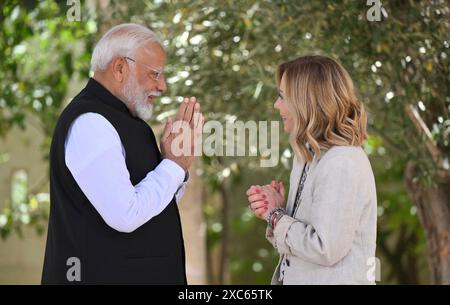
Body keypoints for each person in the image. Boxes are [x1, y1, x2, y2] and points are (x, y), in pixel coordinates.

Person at [42, 23, 203, 284]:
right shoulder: (90, 123)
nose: (162, 86)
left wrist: (174, 165)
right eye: (155, 74)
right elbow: (125, 214)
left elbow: (150, 205)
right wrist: (173, 166)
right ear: (119, 68)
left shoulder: (125, 119)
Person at [246, 55, 377, 284]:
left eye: (283, 97)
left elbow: (324, 249)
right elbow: (302, 245)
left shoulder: (342, 162)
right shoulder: (308, 157)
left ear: (307, 103)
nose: (276, 105)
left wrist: (275, 215)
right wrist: (279, 211)